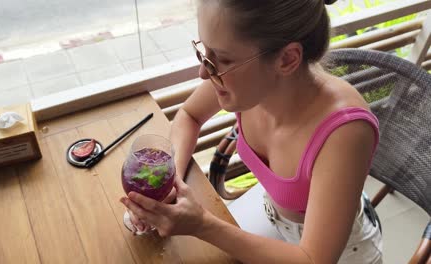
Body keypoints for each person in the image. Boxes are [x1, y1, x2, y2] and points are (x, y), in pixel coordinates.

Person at [120, 0, 383, 262]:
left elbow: (313, 258)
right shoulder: (250, 82)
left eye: (221, 58)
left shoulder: (345, 132)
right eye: (204, 51)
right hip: (272, 215)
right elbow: (190, 115)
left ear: (287, 59)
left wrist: (202, 224)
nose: (203, 72)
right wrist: (172, 182)